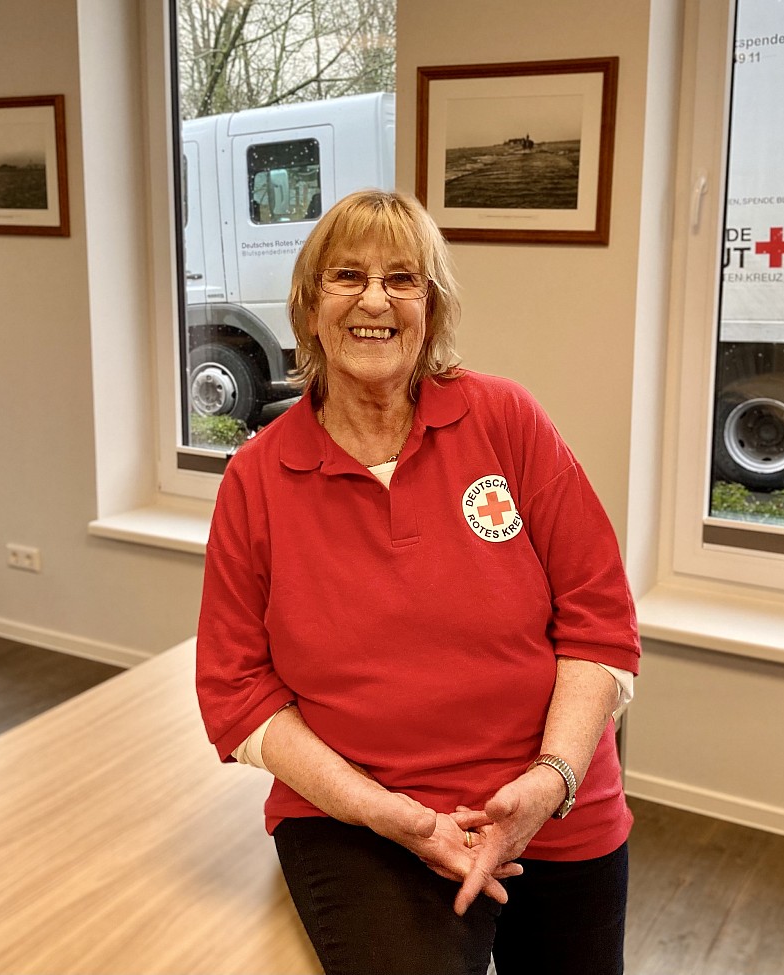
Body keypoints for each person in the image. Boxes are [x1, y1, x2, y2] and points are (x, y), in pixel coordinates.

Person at [196, 189, 641, 975]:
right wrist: (388, 814)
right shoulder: (256, 479)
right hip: (360, 820)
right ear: (308, 308)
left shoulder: (506, 420)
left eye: (403, 279)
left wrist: (551, 778)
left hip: (551, 797)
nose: (375, 299)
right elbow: (236, 694)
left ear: (431, 309)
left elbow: (598, 621)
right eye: (346, 277)